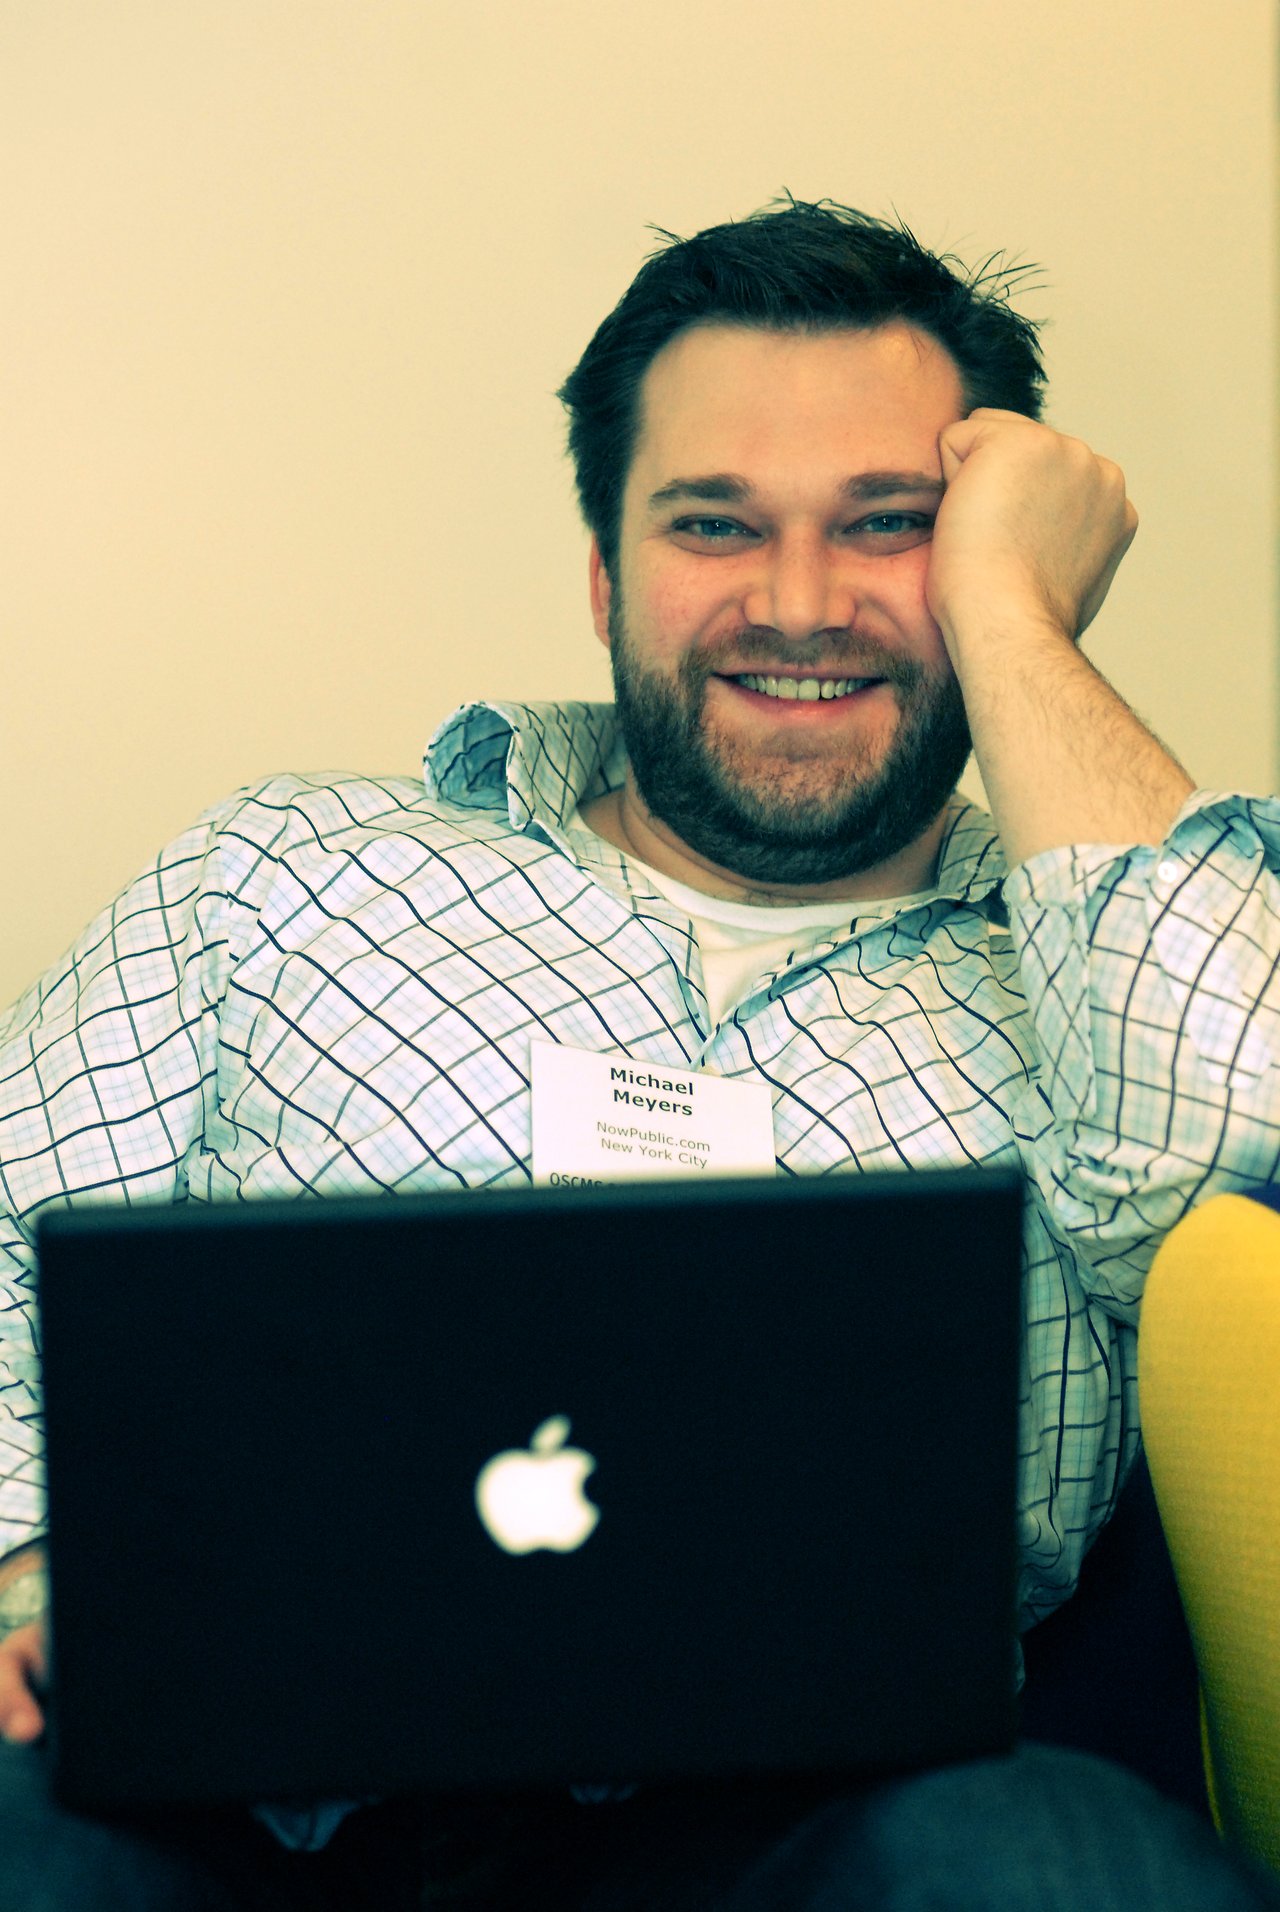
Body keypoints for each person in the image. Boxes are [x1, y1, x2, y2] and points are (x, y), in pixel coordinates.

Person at [1, 196, 1279, 1908]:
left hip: (830, 1830)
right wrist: (22, 1569)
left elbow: (1244, 1183)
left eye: (890, 526)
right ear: (606, 571)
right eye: (717, 525)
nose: (803, 603)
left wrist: (1017, 619)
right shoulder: (281, 869)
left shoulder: (1095, 963)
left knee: (1052, 1853)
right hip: (239, 1816)